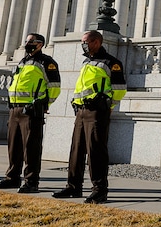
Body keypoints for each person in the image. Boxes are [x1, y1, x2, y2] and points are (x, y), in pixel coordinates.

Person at [52, 30, 126, 204]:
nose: (83, 45)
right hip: (81, 111)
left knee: (96, 152)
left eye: (86, 41)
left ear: (96, 42)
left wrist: (107, 105)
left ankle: (99, 190)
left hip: (97, 112)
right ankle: (73, 187)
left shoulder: (111, 63)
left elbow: (120, 89)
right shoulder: (87, 62)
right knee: (76, 151)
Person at [0, 33, 60, 193]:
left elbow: (54, 87)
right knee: (13, 146)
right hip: (14, 109)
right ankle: (12, 178)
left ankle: (31, 181)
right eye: (27, 41)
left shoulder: (46, 62)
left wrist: (42, 104)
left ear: (40, 44)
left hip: (30, 111)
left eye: (30, 41)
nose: (27, 44)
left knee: (31, 148)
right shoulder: (22, 62)